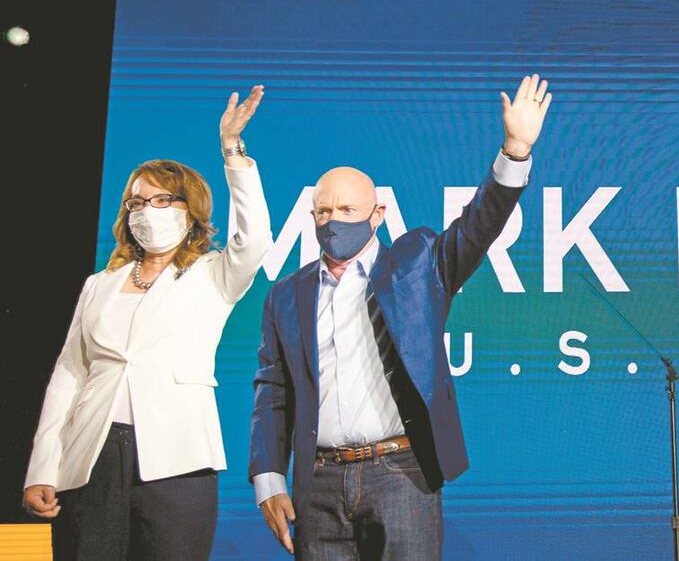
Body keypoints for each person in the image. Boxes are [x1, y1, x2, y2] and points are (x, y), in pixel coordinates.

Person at [249, 73, 552, 559]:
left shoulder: (419, 264)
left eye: (348, 208)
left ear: (378, 214)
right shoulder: (285, 295)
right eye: (323, 211)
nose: (333, 220)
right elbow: (273, 388)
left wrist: (515, 149)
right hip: (318, 483)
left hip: (401, 474)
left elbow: (479, 224)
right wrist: (268, 478)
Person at [21, 86, 274, 560]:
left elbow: (254, 237)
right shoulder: (101, 283)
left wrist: (232, 149)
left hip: (177, 459)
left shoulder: (212, 275)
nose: (146, 212)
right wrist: (43, 468)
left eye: (162, 201)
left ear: (190, 211)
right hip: (90, 455)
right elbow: (69, 375)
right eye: (137, 203)